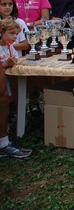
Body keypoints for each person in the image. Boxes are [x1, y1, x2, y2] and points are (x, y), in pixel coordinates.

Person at [0, 18, 32, 159]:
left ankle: (3, 142)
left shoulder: (9, 46)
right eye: (11, 33)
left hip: (7, 82)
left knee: (5, 99)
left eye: (16, 34)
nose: (14, 37)